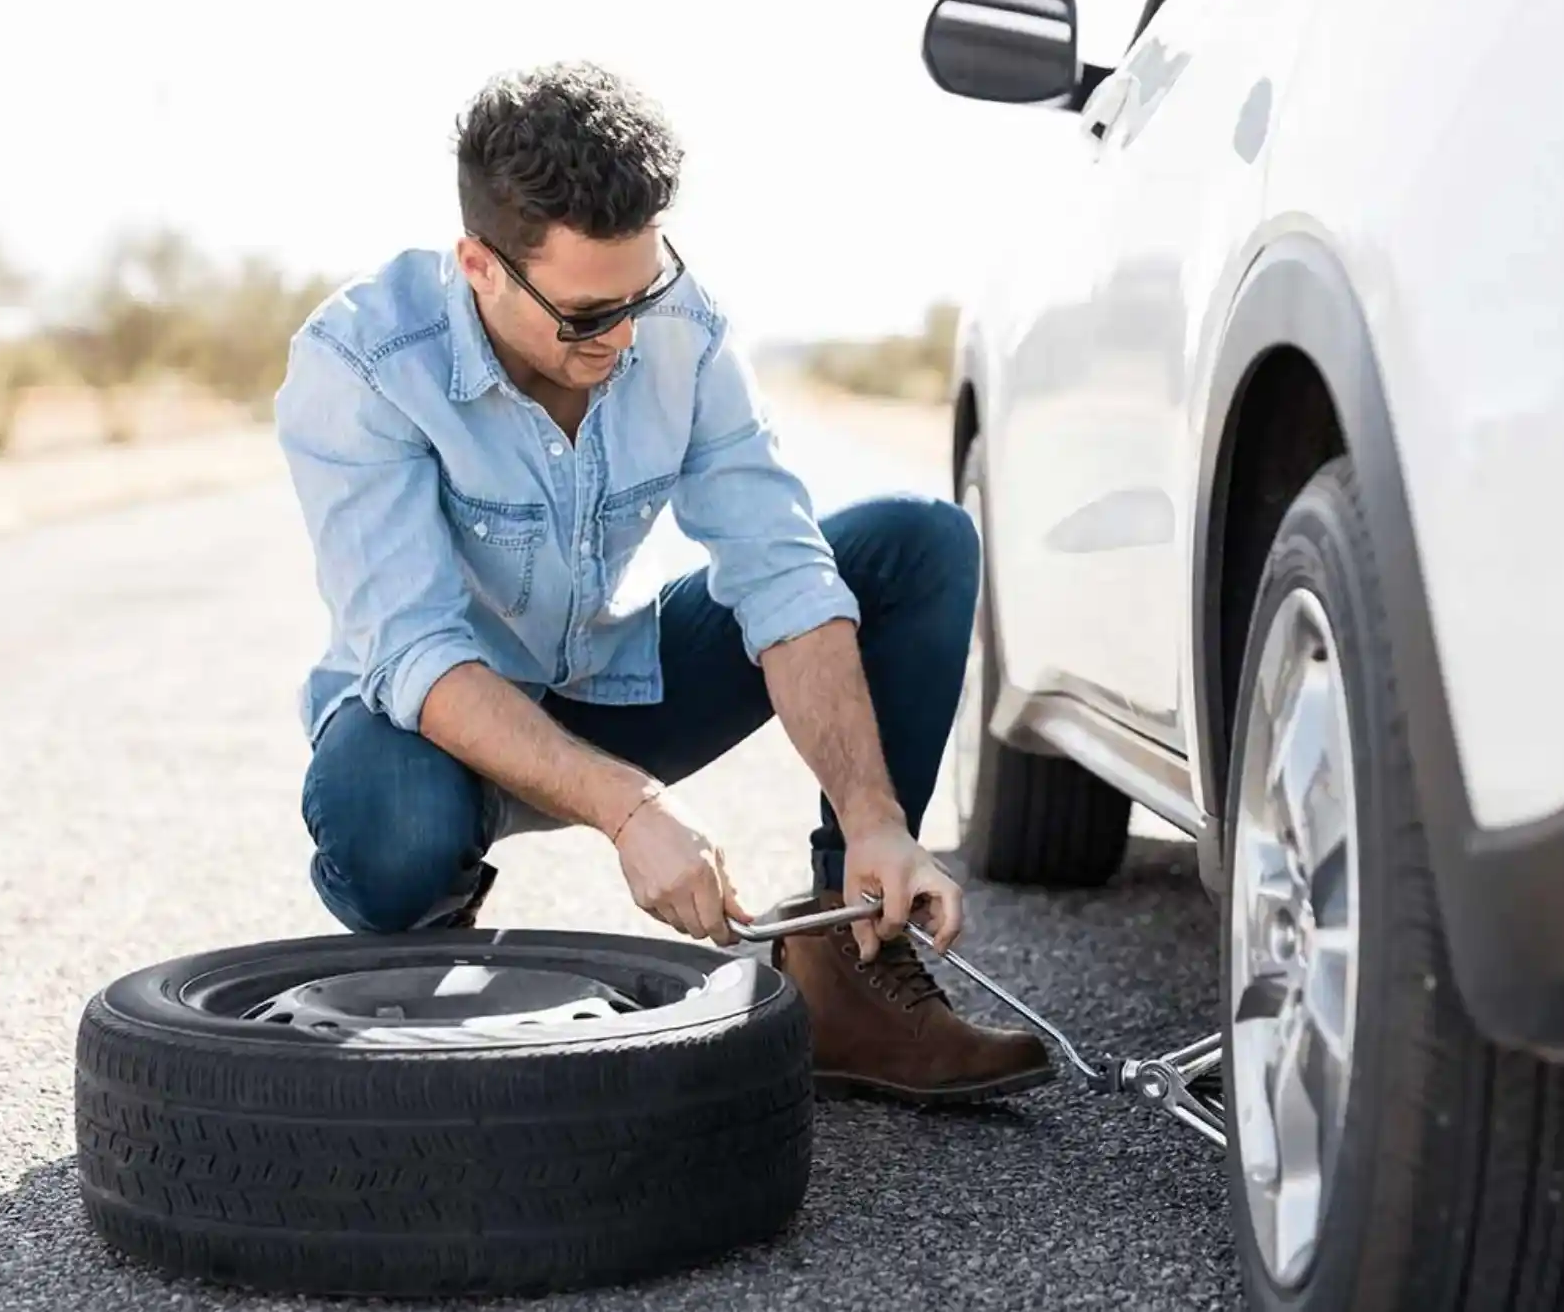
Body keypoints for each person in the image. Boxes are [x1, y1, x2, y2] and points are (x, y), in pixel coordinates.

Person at [272, 60, 1052, 1104]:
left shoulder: (679, 328)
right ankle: (425, 965)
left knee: (918, 543)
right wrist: (631, 812)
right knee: (392, 827)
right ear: (480, 265)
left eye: (641, 293)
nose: (626, 336)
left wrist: (873, 816)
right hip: (431, 732)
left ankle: (847, 969)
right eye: (591, 315)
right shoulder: (362, 361)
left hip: (609, 681)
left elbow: (777, 572)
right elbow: (417, 653)